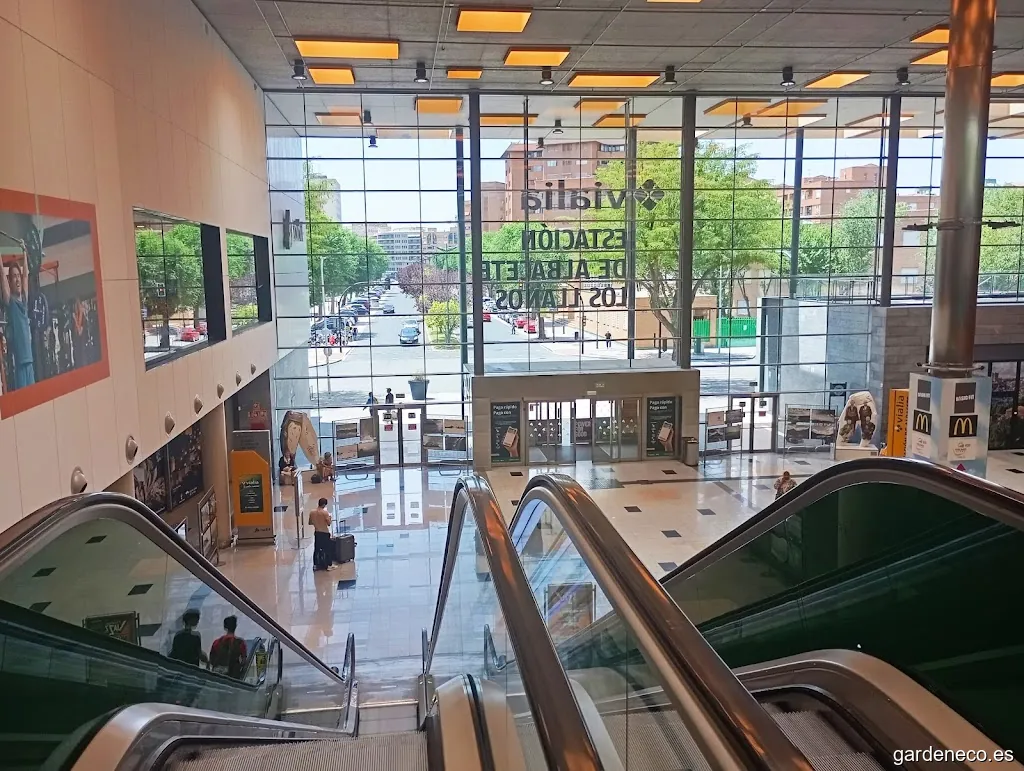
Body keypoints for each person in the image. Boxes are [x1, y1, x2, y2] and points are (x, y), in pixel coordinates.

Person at [0, 257, 34, 390]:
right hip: (19, 363)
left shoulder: (24, 300)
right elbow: (2, 275)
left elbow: (26, 275)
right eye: (13, 277)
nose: (17, 279)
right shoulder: (10, 302)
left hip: (30, 360)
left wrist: (25, 252)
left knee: (34, 397)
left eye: (17, 276)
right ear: (10, 281)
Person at [310, 497, 336, 571]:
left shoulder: (312, 512)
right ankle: (329, 565)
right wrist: (329, 518)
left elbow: (310, 522)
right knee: (327, 549)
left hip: (317, 532)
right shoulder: (325, 513)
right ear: (324, 504)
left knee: (317, 549)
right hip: (324, 533)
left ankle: (315, 565)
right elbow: (329, 524)